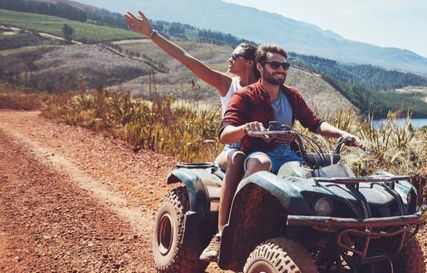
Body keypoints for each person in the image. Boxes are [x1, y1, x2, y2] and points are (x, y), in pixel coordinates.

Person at [200, 44, 361, 261]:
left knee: (311, 176)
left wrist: (343, 134)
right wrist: (245, 129)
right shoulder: (245, 96)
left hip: (287, 155)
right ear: (260, 66)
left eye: (285, 65)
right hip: (255, 152)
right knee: (261, 163)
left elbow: (315, 123)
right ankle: (234, 226)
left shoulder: (292, 95)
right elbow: (224, 133)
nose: (281, 69)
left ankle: (325, 231)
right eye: (275, 64)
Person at [124, 10, 259, 252]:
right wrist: (152, 34)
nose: (229, 59)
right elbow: (187, 59)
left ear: (248, 62)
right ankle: (222, 235)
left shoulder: (263, 90)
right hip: (232, 149)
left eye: (234, 55)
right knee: (237, 157)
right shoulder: (227, 85)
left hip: (259, 151)